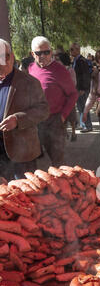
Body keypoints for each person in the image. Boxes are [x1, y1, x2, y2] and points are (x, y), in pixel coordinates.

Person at [0, 39, 49, 181]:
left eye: (3, 57)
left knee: (25, 196)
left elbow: (43, 110)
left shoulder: (29, 82)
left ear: (11, 56)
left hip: (22, 154)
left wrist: (18, 119)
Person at [28, 36, 78, 168]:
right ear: (32, 54)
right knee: (32, 160)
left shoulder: (60, 70)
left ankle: (61, 187)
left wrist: (62, 116)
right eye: (39, 53)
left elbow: (73, 95)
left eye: (47, 52)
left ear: (51, 52)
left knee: (58, 161)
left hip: (54, 122)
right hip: (35, 122)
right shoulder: (30, 69)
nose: (43, 56)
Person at [55, 51, 78, 142]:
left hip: (69, 98)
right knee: (62, 116)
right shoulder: (57, 70)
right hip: (60, 98)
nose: (55, 61)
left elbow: (74, 83)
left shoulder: (70, 70)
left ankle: (73, 132)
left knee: (71, 117)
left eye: (57, 60)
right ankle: (64, 132)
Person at [70, 42, 92, 133]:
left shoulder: (81, 61)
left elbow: (85, 76)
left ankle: (88, 125)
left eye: (72, 49)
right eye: (70, 49)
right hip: (77, 88)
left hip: (82, 89)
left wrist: (83, 88)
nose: (70, 51)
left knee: (84, 107)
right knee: (80, 107)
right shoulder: (76, 60)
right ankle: (83, 124)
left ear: (78, 50)